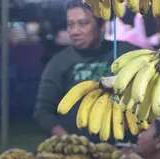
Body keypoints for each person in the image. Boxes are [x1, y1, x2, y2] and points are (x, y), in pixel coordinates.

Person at [33, 0, 137, 137]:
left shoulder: (125, 52)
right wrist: (67, 140)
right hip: (76, 148)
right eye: (70, 25)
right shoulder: (58, 62)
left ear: (101, 25)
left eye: (83, 23)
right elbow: (43, 111)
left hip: (123, 144)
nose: (74, 31)